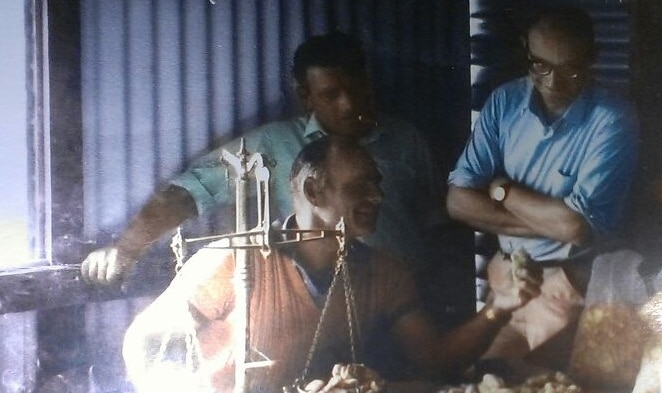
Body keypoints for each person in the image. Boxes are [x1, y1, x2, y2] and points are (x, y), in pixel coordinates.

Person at [122, 136, 541, 393]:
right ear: (311, 190)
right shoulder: (234, 260)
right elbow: (142, 341)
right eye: (361, 186)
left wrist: (497, 309)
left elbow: (433, 360)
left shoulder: (384, 274)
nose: (377, 197)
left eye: (378, 184)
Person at [80, 31, 446, 296]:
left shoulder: (405, 138)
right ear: (306, 97)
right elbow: (187, 193)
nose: (348, 105)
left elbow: (432, 221)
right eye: (330, 95)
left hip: (411, 302)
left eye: (355, 89)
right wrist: (126, 248)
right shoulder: (271, 145)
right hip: (333, 308)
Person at [446, 6, 639, 370]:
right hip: (509, 275)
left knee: (537, 392)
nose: (553, 82)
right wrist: (554, 223)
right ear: (526, 51)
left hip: (570, 282)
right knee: (486, 385)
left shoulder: (613, 119)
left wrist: (502, 190)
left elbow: (577, 228)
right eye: (541, 65)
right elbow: (457, 202)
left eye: (570, 68)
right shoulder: (505, 102)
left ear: (593, 58)